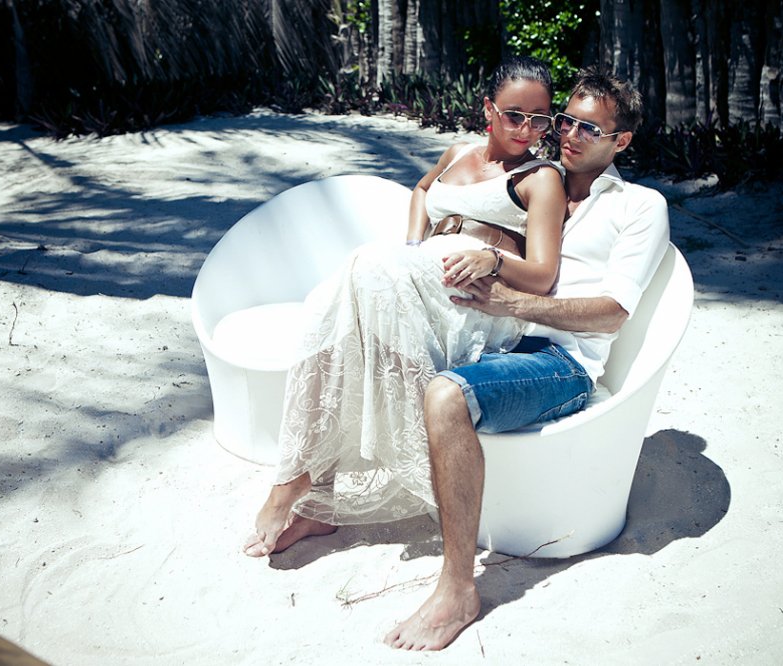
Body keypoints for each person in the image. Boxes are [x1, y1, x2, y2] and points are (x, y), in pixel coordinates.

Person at [383, 68, 670, 650]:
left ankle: (458, 589)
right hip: (495, 338)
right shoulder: (537, 180)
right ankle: (311, 493)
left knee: (446, 394)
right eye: (566, 121)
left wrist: (514, 301)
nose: (569, 135)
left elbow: (613, 313)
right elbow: (448, 198)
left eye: (590, 128)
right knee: (377, 322)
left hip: (560, 362)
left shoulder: (640, 206)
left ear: (621, 141)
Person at [243, 56, 568, 558]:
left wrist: (493, 258)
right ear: (488, 108)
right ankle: (316, 498)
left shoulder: (541, 178)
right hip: (417, 275)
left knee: (364, 266)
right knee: (329, 308)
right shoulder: (458, 152)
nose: (526, 130)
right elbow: (421, 190)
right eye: (513, 115)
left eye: (539, 119)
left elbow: (543, 273)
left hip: (473, 298)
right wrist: (415, 245)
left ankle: (298, 483)